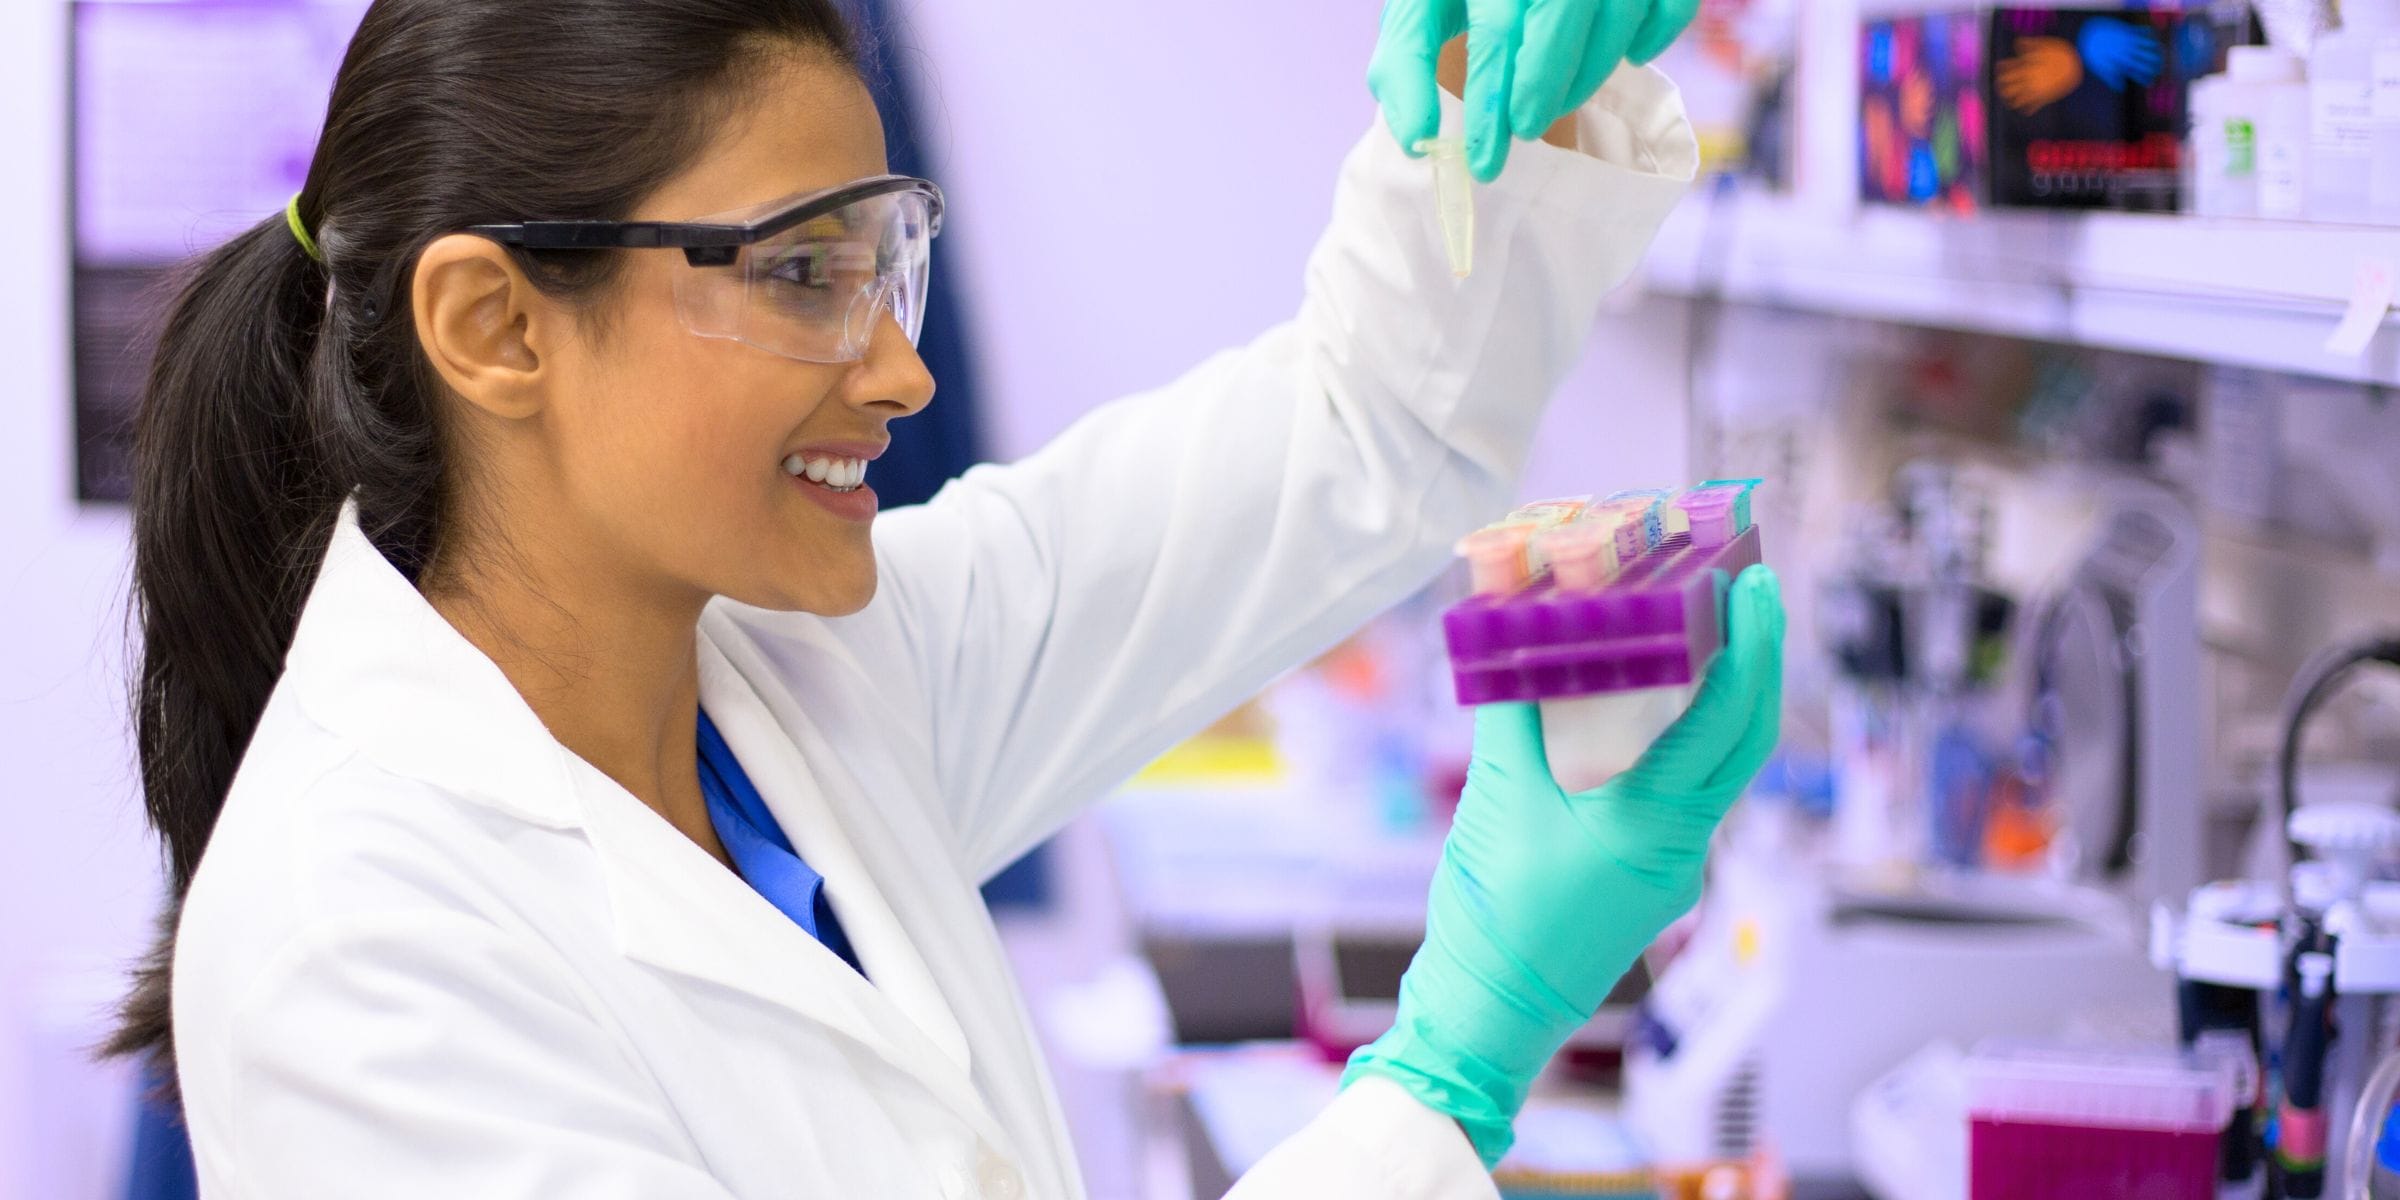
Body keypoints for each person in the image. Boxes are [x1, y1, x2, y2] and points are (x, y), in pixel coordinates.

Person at [110, 0, 1773, 1196]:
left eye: (884, 259)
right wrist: (1446, 1077)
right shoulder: (361, 954)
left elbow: (1359, 434)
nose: (901, 370)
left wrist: (1502, 106)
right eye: (799, 276)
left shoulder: (793, 684)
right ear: (494, 328)